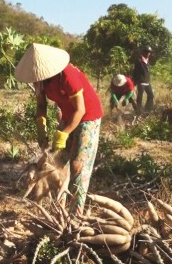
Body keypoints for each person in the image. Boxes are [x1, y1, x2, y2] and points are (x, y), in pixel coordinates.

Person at [15, 43, 103, 215]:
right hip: (69, 117)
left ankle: (75, 215)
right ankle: (59, 210)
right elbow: (41, 106)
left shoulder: (67, 75)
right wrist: (41, 127)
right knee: (57, 165)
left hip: (88, 117)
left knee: (78, 166)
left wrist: (64, 134)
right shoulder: (39, 82)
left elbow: (81, 110)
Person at [131, 45, 155, 113]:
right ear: (143, 52)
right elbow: (135, 72)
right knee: (140, 97)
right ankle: (138, 111)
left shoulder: (147, 61)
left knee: (151, 95)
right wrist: (134, 82)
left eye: (149, 52)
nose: (148, 53)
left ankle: (147, 110)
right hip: (141, 82)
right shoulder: (139, 61)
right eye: (147, 52)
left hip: (147, 82)